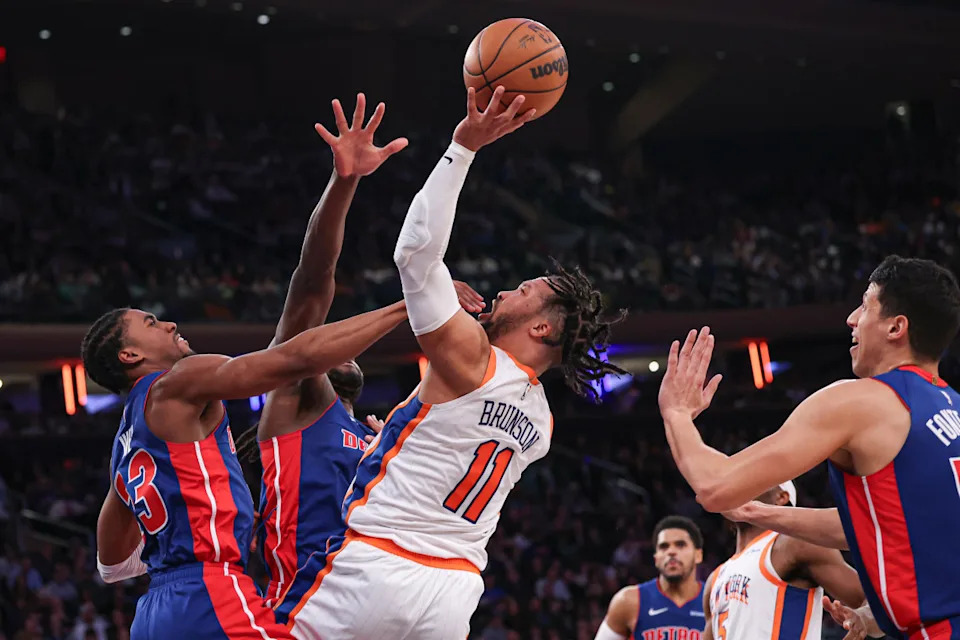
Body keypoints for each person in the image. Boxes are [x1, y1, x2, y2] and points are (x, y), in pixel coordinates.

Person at [273, 85, 625, 639]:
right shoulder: (541, 425)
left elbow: (414, 253)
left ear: (541, 327)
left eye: (524, 289)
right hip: (453, 593)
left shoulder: (473, 359)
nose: (507, 290)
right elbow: (456, 449)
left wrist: (463, 146)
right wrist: (392, 440)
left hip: (377, 565)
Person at [657, 255, 960, 638]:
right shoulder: (951, 408)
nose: (852, 318)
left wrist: (677, 414)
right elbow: (877, 526)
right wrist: (758, 511)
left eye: (866, 305)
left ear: (896, 327)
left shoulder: (860, 401)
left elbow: (714, 486)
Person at [86, 294, 409, 637]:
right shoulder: (177, 381)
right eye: (151, 323)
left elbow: (113, 566)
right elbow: (296, 359)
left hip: (153, 615)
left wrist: (211, 519)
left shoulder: (123, 446)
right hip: (208, 594)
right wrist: (407, 306)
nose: (169, 324)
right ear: (131, 355)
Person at [239, 93, 407, 605]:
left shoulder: (371, 433)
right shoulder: (295, 394)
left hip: (374, 605)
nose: (335, 344)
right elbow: (313, 283)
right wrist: (346, 180)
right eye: (323, 340)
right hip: (303, 606)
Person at [703, 481, 864, 640]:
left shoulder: (795, 544)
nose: (739, 484)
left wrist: (864, 619)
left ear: (781, 497)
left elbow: (873, 601)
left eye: (753, 479)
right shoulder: (715, 577)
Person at [595, 516, 706, 640]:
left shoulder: (716, 600)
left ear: (698, 555)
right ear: (656, 559)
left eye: (680, 545)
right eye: (664, 547)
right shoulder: (629, 601)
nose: (671, 552)